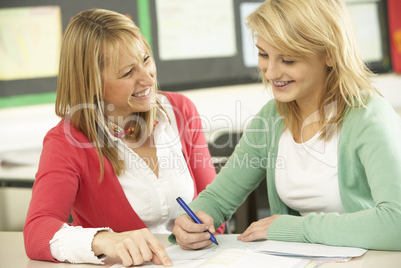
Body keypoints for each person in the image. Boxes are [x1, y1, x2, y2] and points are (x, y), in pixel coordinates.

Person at [171, 0, 401, 251]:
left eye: (288, 60)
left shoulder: (370, 117)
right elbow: (218, 198)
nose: (270, 73)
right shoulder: (271, 119)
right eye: (263, 54)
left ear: (330, 55)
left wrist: (291, 228)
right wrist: (191, 221)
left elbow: (395, 223)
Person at [23, 8, 224, 267]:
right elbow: (37, 231)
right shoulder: (66, 141)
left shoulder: (180, 111)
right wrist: (105, 240)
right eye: (128, 73)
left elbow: (215, 207)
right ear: (92, 84)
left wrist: (204, 227)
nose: (148, 78)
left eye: (146, 59)